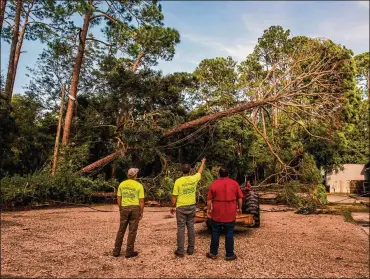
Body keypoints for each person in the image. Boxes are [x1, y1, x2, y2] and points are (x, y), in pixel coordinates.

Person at [170, 158, 206, 257]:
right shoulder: (194, 179)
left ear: (182, 171)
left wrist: (172, 207)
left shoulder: (178, 181)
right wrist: (202, 162)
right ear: (190, 171)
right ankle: (190, 249)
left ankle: (180, 251)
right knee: (191, 227)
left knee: (181, 228)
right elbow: (200, 171)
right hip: (191, 206)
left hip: (181, 207)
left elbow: (174, 196)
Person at [206, 167, 243, 261]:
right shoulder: (234, 183)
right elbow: (240, 198)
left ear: (219, 174)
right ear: (228, 174)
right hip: (230, 213)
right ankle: (229, 254)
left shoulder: (214, 183)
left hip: (217, 213)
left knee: (215, 232)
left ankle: (213, 253)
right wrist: (239, 208)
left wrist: (209, 210)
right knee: (229, 233)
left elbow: (209, 199)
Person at [113, 168, 144, 258]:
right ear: (135, 176)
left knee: (121, 230)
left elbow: (119, 198)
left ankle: (116, 251)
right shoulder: (139, 186)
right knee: (132, 231)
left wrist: (120, 208)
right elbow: (141, 201)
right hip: (135, 208)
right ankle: (129, 251)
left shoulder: (122, 184)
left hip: (124, 207)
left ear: (128, 175)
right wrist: (141, 212)